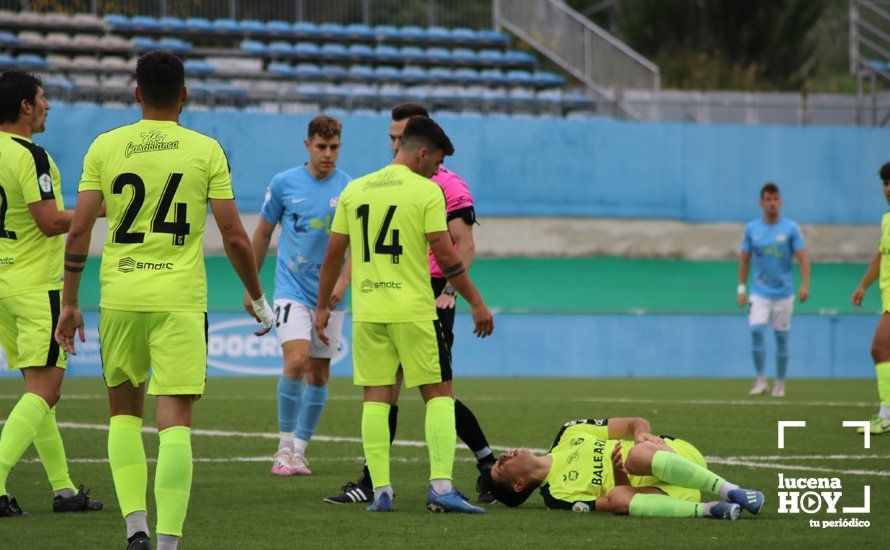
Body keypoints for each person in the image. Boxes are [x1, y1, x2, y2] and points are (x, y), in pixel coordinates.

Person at [55, 52, 275, 550]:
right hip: (179, 301)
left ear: (136, 94)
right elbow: (236, 238)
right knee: (174, 425)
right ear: (185, 94)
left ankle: (135, 531)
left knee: (123, 417)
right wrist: (258, 297)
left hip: (122, 298)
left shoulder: (105, 146)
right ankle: (169, 544)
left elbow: (79, 232)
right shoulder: (206, 150)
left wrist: (70, 302)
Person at [315, 116, 494, 513]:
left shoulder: (356, 188)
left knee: (376, 400)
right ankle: (442, 487)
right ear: (423, 152)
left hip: (369, 312)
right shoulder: (426, 191)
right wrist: (477, 302)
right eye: (437, 161)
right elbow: (446, 256)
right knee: (439, 395)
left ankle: (381, 490)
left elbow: (332, 256)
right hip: (413, 310)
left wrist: (323, 305)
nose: (437, 170)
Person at [0, 70, 103, 517]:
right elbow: (48, 221)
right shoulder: (31, 156)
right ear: (25, 105)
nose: (49, 105)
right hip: (35, 285)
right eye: (43, 98)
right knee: (46, 390)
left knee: (39, 392)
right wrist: (99, 208)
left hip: (4, 286)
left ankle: (63, 491)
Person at [245, 115, 351, 476]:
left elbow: (354, 246)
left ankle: (301, 452)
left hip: (331, 298)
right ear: (307, 146)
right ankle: (284, 447)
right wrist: (251, 285)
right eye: (321, 147)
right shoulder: (284, 183)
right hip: (291, 291)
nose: (328, 154)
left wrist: (342, 284)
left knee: (319, 374)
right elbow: (261, 235)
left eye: (334, 147)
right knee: (296, 362)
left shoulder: (349, 190)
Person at [483, 416, 764, 520]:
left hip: (674, 457)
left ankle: (730, 491)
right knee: (619, 496)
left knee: (635, 457)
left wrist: (641, 435)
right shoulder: (557, 498)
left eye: (500, 457)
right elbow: (615, 502)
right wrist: (619, 475)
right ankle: (710, 509)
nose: (505, 456)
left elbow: (634, 423)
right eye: (501, 465)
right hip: (666, 498)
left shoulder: (569, 432)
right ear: (519, 485)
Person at [737, 182, 810, 397]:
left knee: (781, 338)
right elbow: (744, 260)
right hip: (759, 292)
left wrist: (805, 285)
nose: (772, 203)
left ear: (781, 201)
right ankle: (761, 380)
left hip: (784, 293)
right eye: (768, 199)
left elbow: (803, 258)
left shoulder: (791, 228)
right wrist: (741, 288)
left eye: (775, 199)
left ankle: (779, 383)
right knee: (756, 331)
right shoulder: (752, 228)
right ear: (761, 202)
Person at [850, 161, 890, 435]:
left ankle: (886, 414)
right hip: (887, 297)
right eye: (885, 183)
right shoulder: (887, 219)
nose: (887, 188)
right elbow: (880, 255)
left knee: (879, 348)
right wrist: (864, 285)